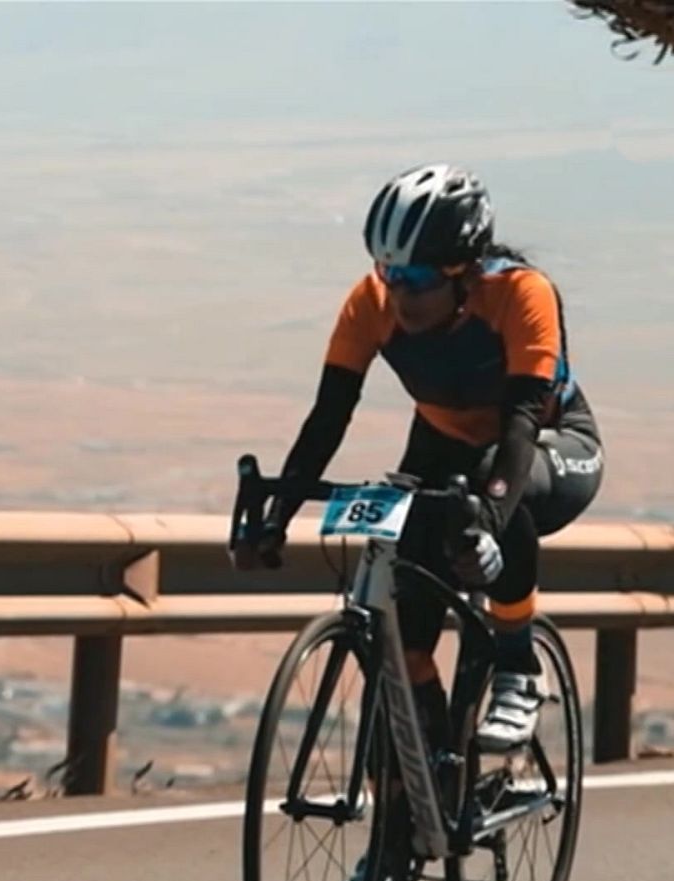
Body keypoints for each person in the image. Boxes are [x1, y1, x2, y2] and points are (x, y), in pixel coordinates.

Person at [250, 162, 605, 758]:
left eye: (417, 277)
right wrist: (277, 513)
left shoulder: (521, 293)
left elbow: (520, 424)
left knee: (493, 478)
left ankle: (518, 667)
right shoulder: (370, 303)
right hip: (440, 446)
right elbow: (328, 417)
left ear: (462, 272)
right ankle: (417, 804)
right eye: (389, 272)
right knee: (403, 636)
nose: (400, 292)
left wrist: (487, 524)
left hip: (546, 444)